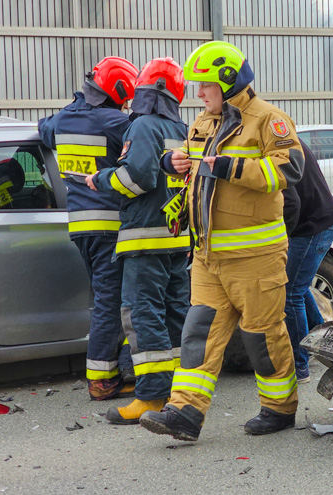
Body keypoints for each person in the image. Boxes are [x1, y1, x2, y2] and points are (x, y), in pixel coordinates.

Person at [139, 41, 304, 442]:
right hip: (208, 256)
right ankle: (184, 413)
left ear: (228, 83)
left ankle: (279, 409)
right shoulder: (202, 123)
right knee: (198, 334)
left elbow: (289, 169)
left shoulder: (268, 119)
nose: (198, 93)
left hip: (256, 256)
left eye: (206, 86)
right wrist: (172, 164)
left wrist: (233, 167)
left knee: (262, 336)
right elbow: (193, 172)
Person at [86, 57, 192, 424]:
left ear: (145, 92)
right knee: (177, 315)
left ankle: (149, 398)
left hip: (144, 240)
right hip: (176, 240)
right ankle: (180, 392)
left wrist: (101, 179)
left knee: (142, 314)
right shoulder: (181, 126)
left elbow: (138, 178)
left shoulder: (143, 125)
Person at [38, 57, 138, 401]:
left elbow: (43, 127)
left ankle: (122, 369)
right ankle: (100, 380)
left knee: (109, 300)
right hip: (111, 226)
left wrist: (76, 103)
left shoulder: (63, 119)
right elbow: (145, 146)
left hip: (80, 227)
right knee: (114, 303)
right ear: (119, 91)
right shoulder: (116, 121)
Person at [282, 140, 333, 383]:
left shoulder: (275, 146)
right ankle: (327, 341)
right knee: (297, 285)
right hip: (318, 220)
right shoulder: (286, 139)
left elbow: (291, 203)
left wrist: (281, 238)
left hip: (312, 227)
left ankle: (299, 365)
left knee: (290, 292)